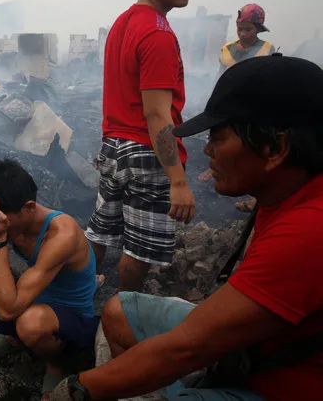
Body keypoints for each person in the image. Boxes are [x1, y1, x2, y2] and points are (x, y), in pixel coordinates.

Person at [49, 54, 323, 401]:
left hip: (285, 386)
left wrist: (75, 391)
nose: (206, 149)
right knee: (120, 312)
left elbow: (185, 351)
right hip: (253, 352)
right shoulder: (287, 193)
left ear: (274, 148)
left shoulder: (308, 230)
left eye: (218, 137)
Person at [0, 159, 101, 400]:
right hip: (29, 296)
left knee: (30, 324)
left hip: (70, 313)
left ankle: (55, 363)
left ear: (29, 207)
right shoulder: (7, 220)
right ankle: (17, 339)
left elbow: (9, 310)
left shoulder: (62, 234)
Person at [86, 0, 196, 293]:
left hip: (113, 146)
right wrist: (177, 182)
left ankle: (72, 300)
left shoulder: (124, 22)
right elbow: (157, 115)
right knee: (139, 252)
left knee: (100, 233)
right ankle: (123, 313)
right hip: (147, 153)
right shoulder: (158, 34)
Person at [199, 3, 276, 206]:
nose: (243, 34)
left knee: (251, 141)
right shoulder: (228, 50)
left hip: (253, 106)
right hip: (229, 103)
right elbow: (220, 76)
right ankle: (214, 168)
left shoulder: (267, 50)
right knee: (220, 138)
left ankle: (252, 186)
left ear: (258, 29)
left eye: (248, 29)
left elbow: (270, 82)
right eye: (240, 29)